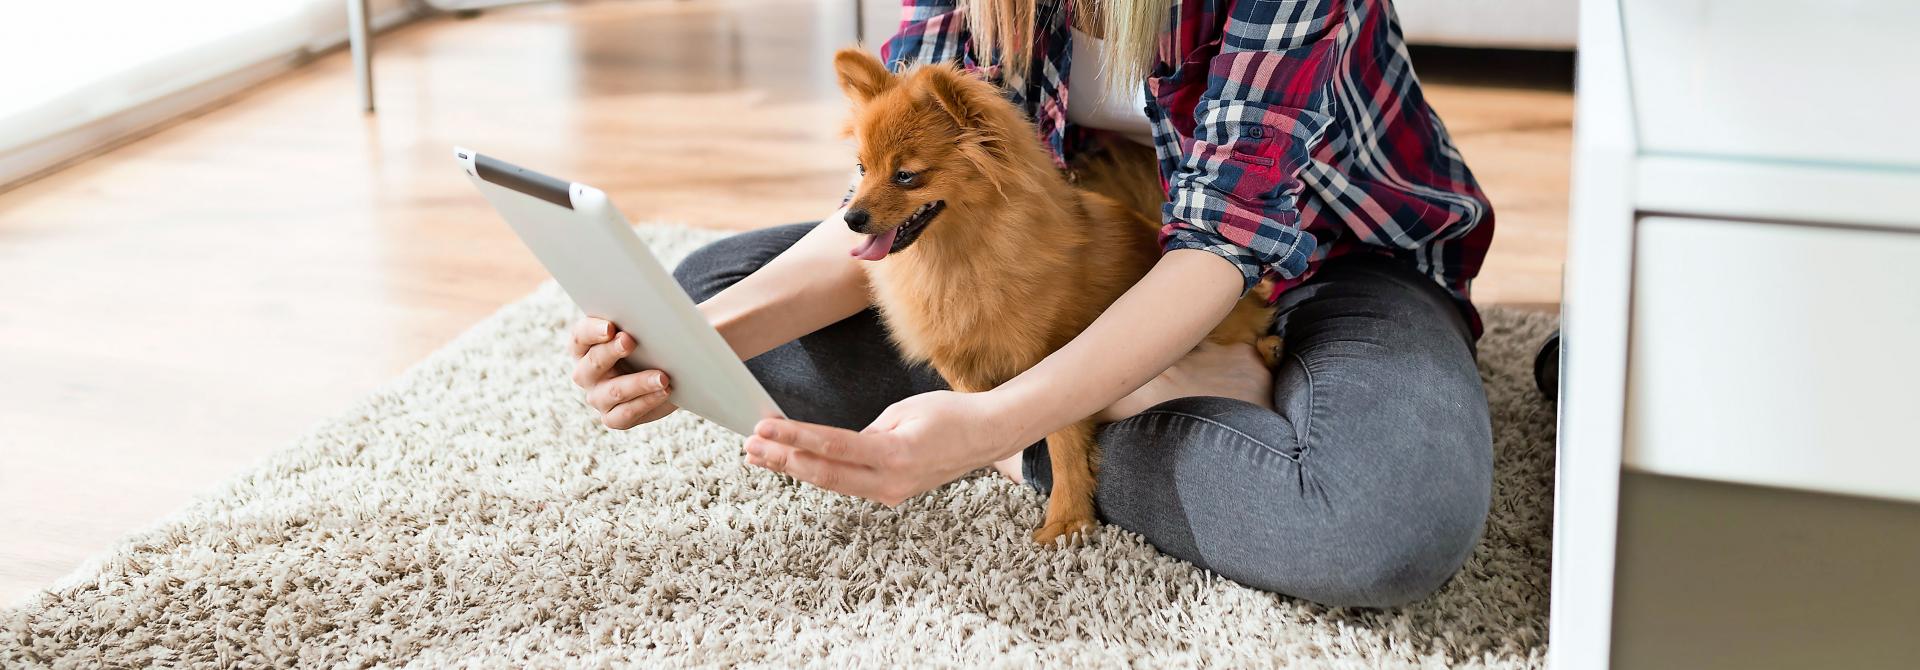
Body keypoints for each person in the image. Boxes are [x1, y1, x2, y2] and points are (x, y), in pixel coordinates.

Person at [567, 0, 1495, 607]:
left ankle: (1040, 424)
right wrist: (689, 342)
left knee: (1383, 522)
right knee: (704, 295)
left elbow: (1221, 243)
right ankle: (1113, 398)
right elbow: (892, 223)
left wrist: (985, 428)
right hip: (1047, 264)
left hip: (1317, 265)